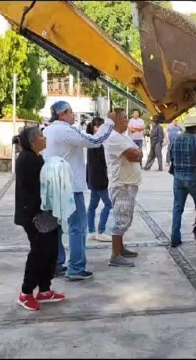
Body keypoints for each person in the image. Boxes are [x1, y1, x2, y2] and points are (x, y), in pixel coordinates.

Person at [43, 100, 114, 281]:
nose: (73, 115)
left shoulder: (48, 130)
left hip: (52, 184)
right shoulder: (65, 130)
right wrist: (109, 123)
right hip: (70, 186)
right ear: (62, 114)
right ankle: (76, 267)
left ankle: (57, 263)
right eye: (71, 112)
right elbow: (95, 140)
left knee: (55, 227)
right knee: (77, 227)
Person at [14, 126, 66, 311]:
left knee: (50, 250)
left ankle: (45, 289)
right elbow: (37, 189)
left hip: (46, 213)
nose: (45, 139)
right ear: (33, 141)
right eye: (42, 136)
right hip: (34, 215)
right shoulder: (28, 160)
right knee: (38, 252)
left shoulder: (37, 157)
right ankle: (26, 293)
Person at [103, 108, 142, 267]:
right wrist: (137, 153)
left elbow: (139, 153)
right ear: (116, 121)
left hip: (128, 182)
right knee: (121, 219)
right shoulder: (113, 137)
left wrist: (137, 153)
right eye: (125, 118)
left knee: (126, 217)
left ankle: (121, 248)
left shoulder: (122, 137)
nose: (128, 121)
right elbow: (133, 155)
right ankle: (115, 254)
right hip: (121, 184)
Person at [169, 116, 196, 248]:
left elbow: (171, 158)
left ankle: (174, 237)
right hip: (194, 177)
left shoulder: (175, 140)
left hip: (178, 178)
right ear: (195, 128)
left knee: (177, 208)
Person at [85, 117, 113, 242]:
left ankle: (91, 231)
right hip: (99, 179)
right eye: (98, 126)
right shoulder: (97, 143)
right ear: (94, 127)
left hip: (92, 178)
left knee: (92, 205)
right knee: (108, 204)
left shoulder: (92, 142)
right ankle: (100, 231)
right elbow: (103, 162)